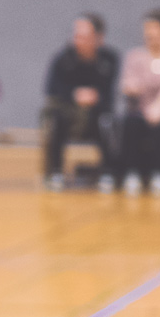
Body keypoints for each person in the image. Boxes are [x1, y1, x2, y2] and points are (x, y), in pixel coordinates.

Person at [40, 13, 120, 192]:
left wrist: (95, 97)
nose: (77, 40)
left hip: (96, 113)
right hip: (68, 114)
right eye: (76, 35)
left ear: (99, 38)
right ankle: (55, 172)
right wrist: (74, 95)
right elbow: (51, 89)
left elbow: (110, 94)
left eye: (84, 36)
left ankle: (108, 172)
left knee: (107, 122)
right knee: (55, 120)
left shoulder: (110, 59)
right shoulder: (63, 58)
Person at [119, 8, 160, 196]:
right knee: (131, 122)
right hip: (139, 112)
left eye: (155, 28)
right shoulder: (135, 56)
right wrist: (131, 87)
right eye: (147, 29)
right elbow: (127, 82)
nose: (150, 33)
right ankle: (132, 173)